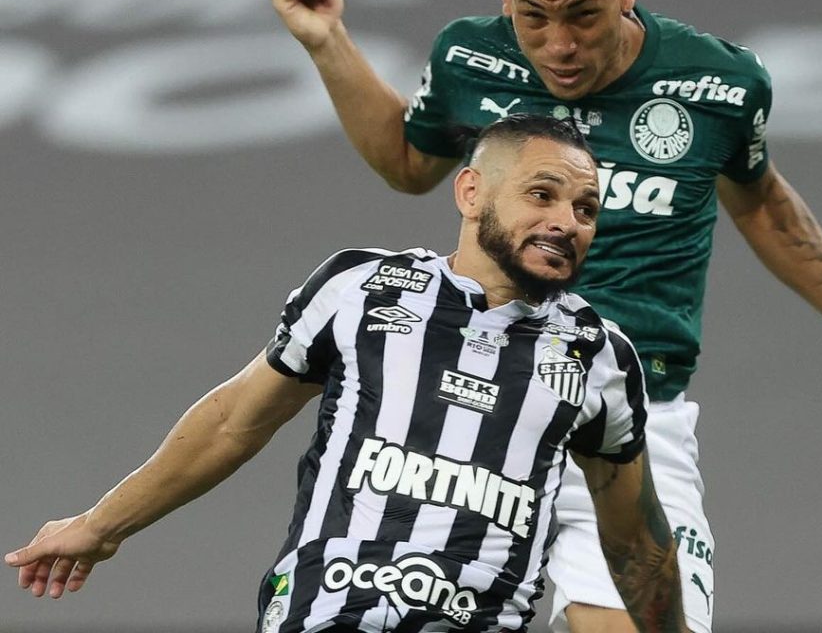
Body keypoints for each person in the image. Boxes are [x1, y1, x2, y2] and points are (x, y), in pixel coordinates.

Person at [269, 0, 822, 633]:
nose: (559, 44)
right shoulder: (469, 58)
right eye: (534, 17)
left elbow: (763, 206)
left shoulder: (718, 86)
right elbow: (406, 161)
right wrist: (327, 40)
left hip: (634, 423)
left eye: (583, 15)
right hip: (480, 413)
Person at [5, 115, 690, 633]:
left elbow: (635, 539)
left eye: (585, 209)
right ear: (472, 192)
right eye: (542, 195)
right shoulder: (363, 288)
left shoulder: (598, 355)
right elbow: (235, 420)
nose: (566, 222)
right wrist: (103, 525)